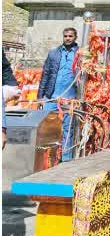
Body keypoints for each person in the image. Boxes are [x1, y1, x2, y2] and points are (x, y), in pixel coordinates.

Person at [37, 27, 80, 161]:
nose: (68, 38)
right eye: (66, 36)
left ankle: (66, 159)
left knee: (68, 128)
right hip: (52, 96)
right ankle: (44, 160)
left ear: (75, 37)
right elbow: (45, 75)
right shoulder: (53, 53)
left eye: (70, 36)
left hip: (70, 98)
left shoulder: (81, 54)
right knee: (45, 127)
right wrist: (40, 97)